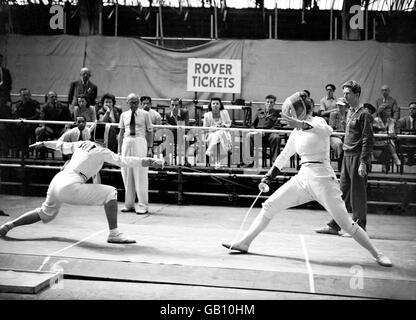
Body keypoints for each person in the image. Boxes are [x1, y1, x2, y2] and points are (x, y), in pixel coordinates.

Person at [222, 91, 392, 267]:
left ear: (302, 109)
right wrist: (269, 176)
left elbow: (327, 131)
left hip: (323, 179)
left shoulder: (318, 121)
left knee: (347, 224)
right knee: (269, 205)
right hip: (303, 177)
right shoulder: (296, 132)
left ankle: (377, 254)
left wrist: (301, 124)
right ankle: (245, 243)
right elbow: (284, 155)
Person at [0, 123, 164, 243]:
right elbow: (124, 160)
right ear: (106, 137)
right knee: (111, 192)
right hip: (70, 184)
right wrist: (149, 161)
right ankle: (114, 233)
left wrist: (43, 143)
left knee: (45, 212)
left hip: (58, 180)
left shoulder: (82, 143)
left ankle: (9, 225)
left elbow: (60, 145)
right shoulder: (102, 150)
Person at [315, 80, 374, 235]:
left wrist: (363, 162)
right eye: (344, 93)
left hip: (357, 157)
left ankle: (360, 227)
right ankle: (334, 225)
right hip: (347, 156)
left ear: (357, 94)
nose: (345, 96)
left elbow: (368, 140)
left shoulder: (365, 114)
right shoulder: (349, 112)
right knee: (342, 193)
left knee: (358, 194)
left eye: (348, 93)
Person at [118, 93, 154, 214]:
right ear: (127, 103)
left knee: (140, 173)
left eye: (135, 102)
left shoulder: (145, 114)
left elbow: (150, 132)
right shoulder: (124, 115)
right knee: (127, 172)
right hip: (127, 142)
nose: (133, 104)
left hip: (140, 141)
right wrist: (119, 149)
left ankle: (143, 205)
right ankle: (129, 204)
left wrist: (150, 148)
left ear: (138, 102)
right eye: (131, 102)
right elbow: (121, 132)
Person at [246, 94, 283, 167]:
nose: (269, 104)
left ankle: (275, 164)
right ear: (265, 103)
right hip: (258, 134)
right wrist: (256, 131)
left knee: (276, 137)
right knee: (249, 136)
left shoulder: (277, 113)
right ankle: (249, 162)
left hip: (270, 135)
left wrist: (266, 132)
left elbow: (277, 126)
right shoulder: (259, 112)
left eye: (271, 102)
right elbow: (252, 124)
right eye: (268, 102)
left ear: (274, 103)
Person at [203, 97, 232, 166]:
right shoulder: (207, 115)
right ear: (210, 105)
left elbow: (228, 124)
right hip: (211, 134)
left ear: (220, 105)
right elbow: (205, 128)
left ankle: (209, 150)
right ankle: (219, 160)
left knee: (220, 132)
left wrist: (221, 126)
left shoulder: (225, 112)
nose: (215, 105)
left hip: (224, 133)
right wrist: (213, 128)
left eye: (217, 103)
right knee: (218, 135)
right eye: (213, 103)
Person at [12, 88, 40, 155]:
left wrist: (26, 119)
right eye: (24, 95)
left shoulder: (35, 103)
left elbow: (37, 115)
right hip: (20, 124)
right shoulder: (18, 104)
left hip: (31, 124)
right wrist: (18, 119)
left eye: (27, 95)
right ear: (20, 96)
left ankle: (25, 151)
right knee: (12, 129)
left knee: (24, 130)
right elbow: (14, 114)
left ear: (30, 95)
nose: (25, 97)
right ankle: (16, 150)